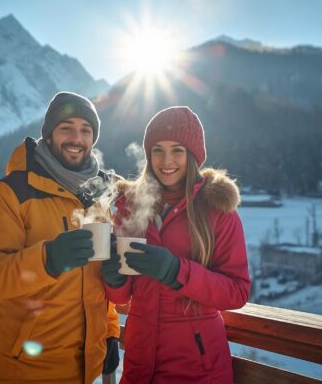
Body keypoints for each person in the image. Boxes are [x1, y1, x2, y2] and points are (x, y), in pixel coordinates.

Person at [0, 91, 120, 384]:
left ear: (93, 140)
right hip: (25, 370)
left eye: (85, 131)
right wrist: (47, 259)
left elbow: (96, 284)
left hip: (85, 370)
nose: (77, 138)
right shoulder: (12, 193)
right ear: (49, 135)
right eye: (67, 128)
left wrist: (111, 331)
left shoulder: (97, 198)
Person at [102, 106, 250, 383]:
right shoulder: (129, 206)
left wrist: (175, 271)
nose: (166, 160)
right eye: (157, 149)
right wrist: (114, 279)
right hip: (139, 359)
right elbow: (122, 297)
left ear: (192, 155)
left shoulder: (216, 209)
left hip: (197, 368)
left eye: (177, 150)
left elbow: (237, 292)